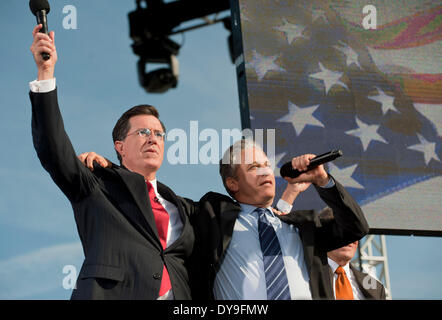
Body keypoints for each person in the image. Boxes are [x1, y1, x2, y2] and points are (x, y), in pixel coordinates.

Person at [82, 139, 369, 300]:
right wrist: (113, 172)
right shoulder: (209, 217)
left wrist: (323, 181)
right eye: (254, 166)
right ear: (232, 183)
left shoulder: (302, 226)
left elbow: (356, 227)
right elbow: (154, 196)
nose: (265, 171)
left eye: (267, 165)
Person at [29, 24, 196, 299]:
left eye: (158, 134)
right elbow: (53, 148)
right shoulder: (97, 185)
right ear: (120, 147)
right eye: (142, 132)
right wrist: (46, 73)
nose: (153, 138)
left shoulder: (186, 209)